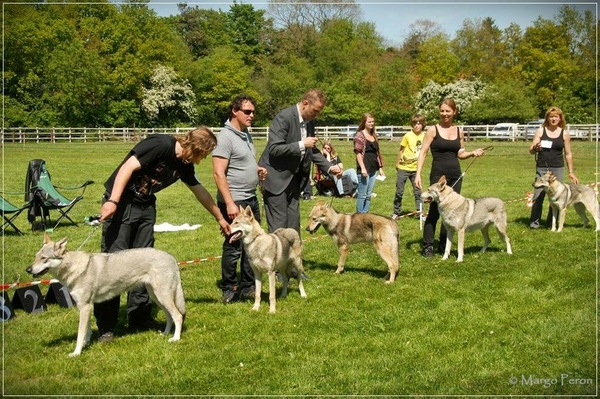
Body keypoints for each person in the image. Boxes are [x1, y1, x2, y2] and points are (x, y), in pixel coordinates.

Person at [96, 127, 229, 343]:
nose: (200, 161)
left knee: (144, 263)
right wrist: (113, 201)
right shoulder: (159, 145)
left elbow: (200, 192)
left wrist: (220, 218)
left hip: (146, 207)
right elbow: (127, 168)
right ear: (193, 147)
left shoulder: (183, 164)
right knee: (112, 264)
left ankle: (139, 318)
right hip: (122, 205)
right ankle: (106, 327)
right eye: (201, 155)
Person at [258, 89, 341, 234]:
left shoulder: (309, 122)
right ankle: (278, 256)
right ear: (305, 103)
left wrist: (329, 167)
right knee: (279, 228)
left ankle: (294, 257)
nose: (317, 115)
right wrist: (302, 144)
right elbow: (274, 148)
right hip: (275, 179)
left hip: (294, 181)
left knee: (293, 226)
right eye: (315, 111)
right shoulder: (284, 117)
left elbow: (311, 149)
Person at [213, 95, 267, 304]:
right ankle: (229, 287)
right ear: (234, 111)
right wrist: (229, 203)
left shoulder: (245, 134)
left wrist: (257, 170)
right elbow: (218, 173)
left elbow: (242, 162)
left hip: (250, 200)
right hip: (234, 200)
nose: (252, 115)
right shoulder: (225, 137)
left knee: (252, 243)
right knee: (233, 246)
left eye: (253, 112)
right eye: (247, 112)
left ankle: (248, 285)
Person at [415, 98, 485, 258]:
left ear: (454, 112)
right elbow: (424, 152)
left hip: (455, 175)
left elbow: (460, 153)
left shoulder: (459, 130)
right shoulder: (433, 130)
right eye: (442, 111)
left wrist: (473, 153)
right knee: (434, 211)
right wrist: (418, 173)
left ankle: (443, 244)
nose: (445, 114)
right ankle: (427, 247)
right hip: (438, 176)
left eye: (448, 111)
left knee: (452, 212)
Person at [528, 106, 579, 229]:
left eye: (556, 116)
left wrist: (571, 172)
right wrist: (535, 148)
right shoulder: (541, 131)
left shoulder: (564, 133)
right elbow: (531, 150)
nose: (554, 118)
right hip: (542, 167)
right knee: (538, 196)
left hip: (557, 168)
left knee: (556, 197)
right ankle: (534, 223)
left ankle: (551, 223)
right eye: (551, 116)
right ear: (547, 118)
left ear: (560, 118)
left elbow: (568, 154)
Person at [392, 114, 425, 220]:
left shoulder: (425, 136)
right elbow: (401, 150)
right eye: (415, 123)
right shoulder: (407, 135)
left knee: (418, 192)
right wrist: (397, 163)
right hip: (404, 168)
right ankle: (396, 212)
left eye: (419, 123)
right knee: (399, 192)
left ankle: (420, 212)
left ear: (423, 125)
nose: (417, 126)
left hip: (416, 169)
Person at [354, 112, 385, 213]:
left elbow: (377, 153)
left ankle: (365, 214)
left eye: (373, 122)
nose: (372, 124)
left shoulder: (373, 135)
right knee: (362, 194)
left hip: (373, 169)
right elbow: (358, 153)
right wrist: (362, 168)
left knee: (368, 194)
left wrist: (380, 168)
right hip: (364, 169)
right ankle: (359, 216)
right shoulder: (360, 135)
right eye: (369, 122)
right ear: (364, 122)